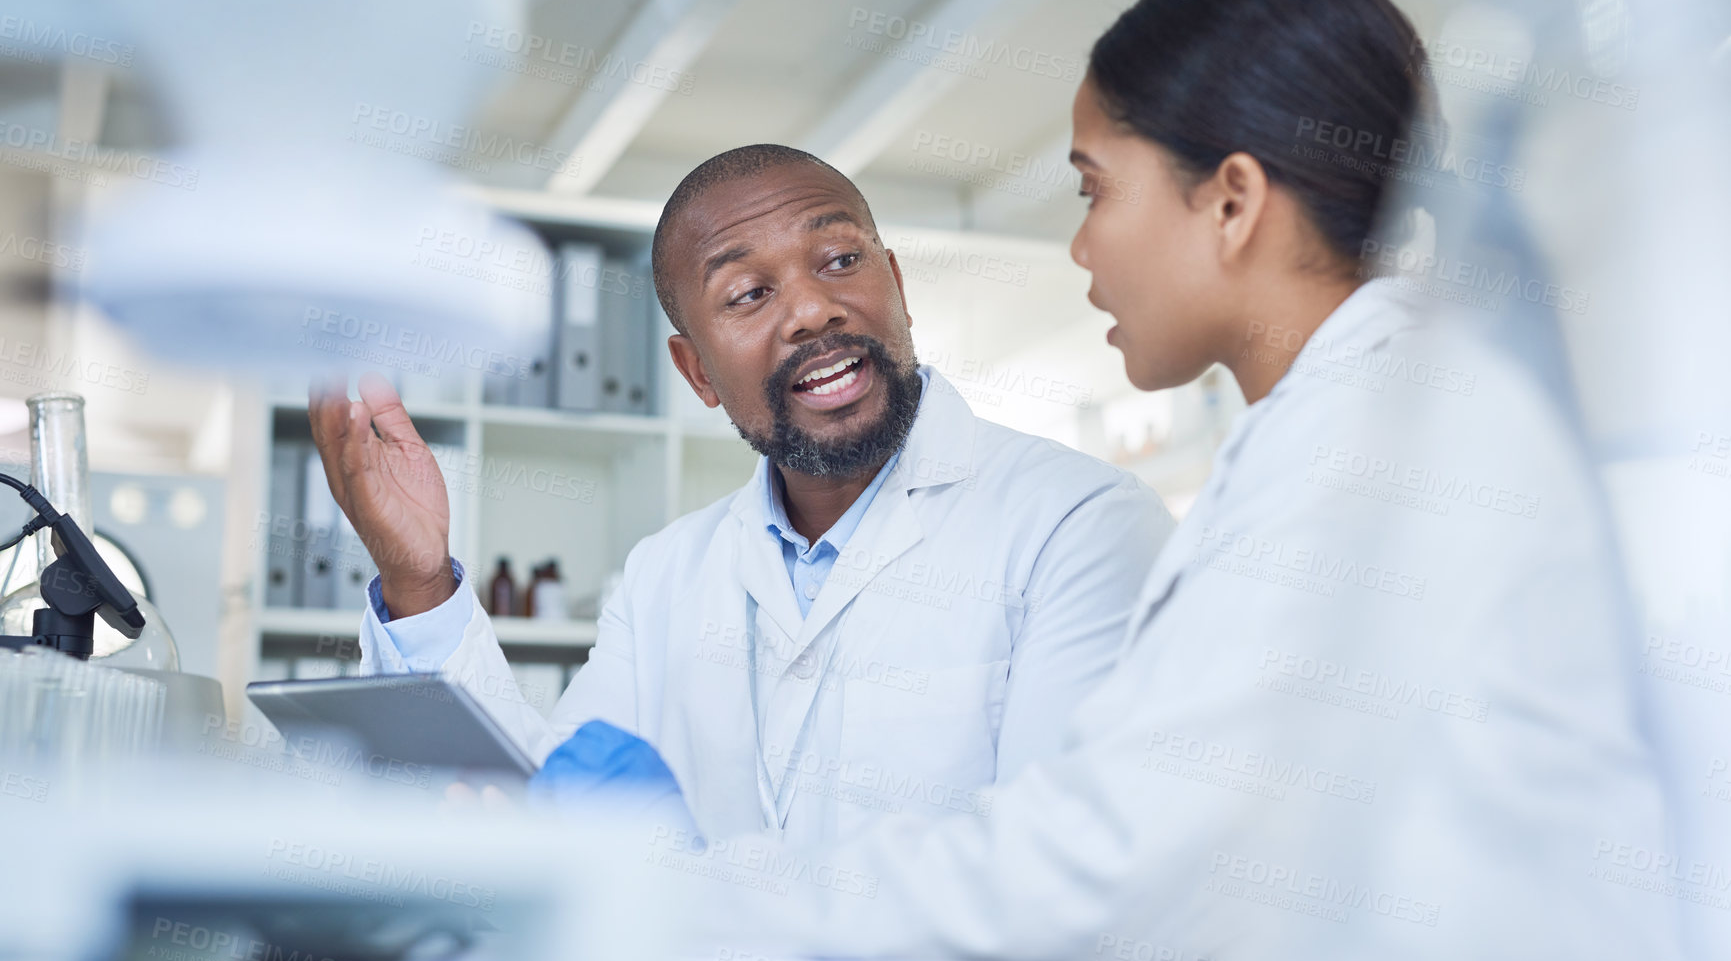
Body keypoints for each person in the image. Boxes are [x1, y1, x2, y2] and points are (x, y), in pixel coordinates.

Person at [684, 0, 1672, 961]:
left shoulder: (1372, 445)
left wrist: (701, 896)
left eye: (1095, 188)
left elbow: (1114, 859)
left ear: (1233, 200)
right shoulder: (1339, 425)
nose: (1080, 243)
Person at [307, 145, 1175, 845]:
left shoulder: (1080, 525)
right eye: (748, 293)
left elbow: (1058, 865)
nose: (809, 310)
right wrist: (419, 580)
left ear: (898, 288)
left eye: (840, 260)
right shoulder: (664, 576)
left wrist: (700, 896)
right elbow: (546, 814)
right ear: (697, 372)